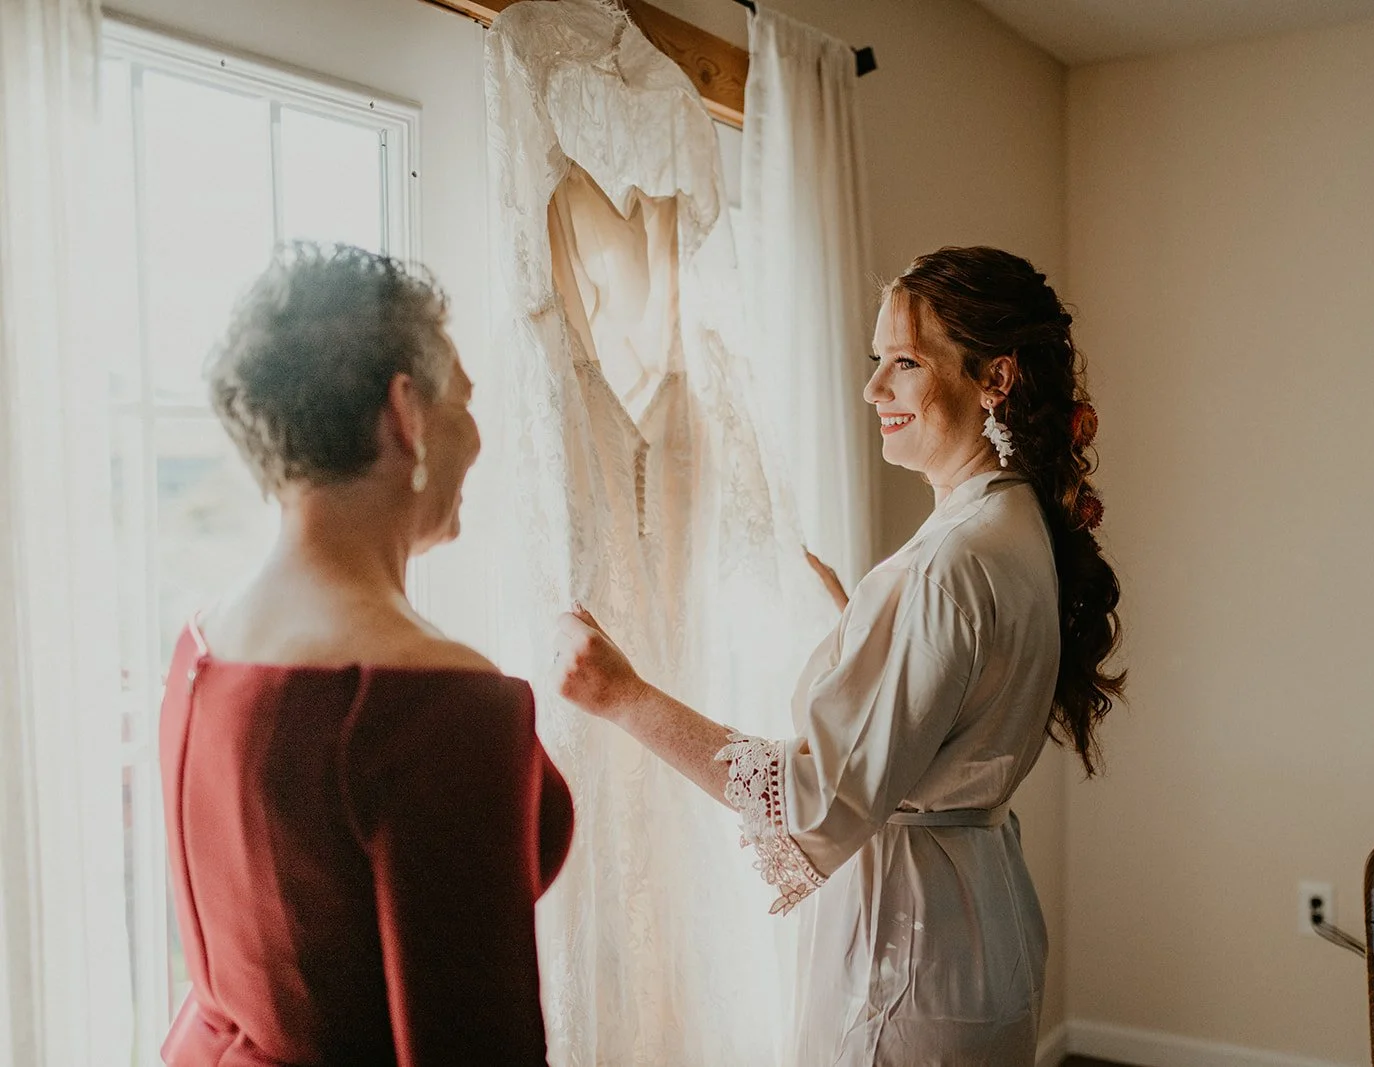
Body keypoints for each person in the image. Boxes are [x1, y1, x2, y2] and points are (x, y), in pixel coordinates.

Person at [553, 246, 1124, 1065]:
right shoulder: (1016, 520)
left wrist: (625, 696)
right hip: (981, 922)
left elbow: (815, 803)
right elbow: (965, 690)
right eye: (874, 361)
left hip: (911, 952)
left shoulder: (946, 566)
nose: (873, 389)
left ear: (995, 379)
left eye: (905, 363)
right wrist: (872, 629)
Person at [159, 244, 572, 1066]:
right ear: (406, 413)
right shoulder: (438, 706)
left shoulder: (202, 642)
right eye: (464, 399)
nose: (478, 436)